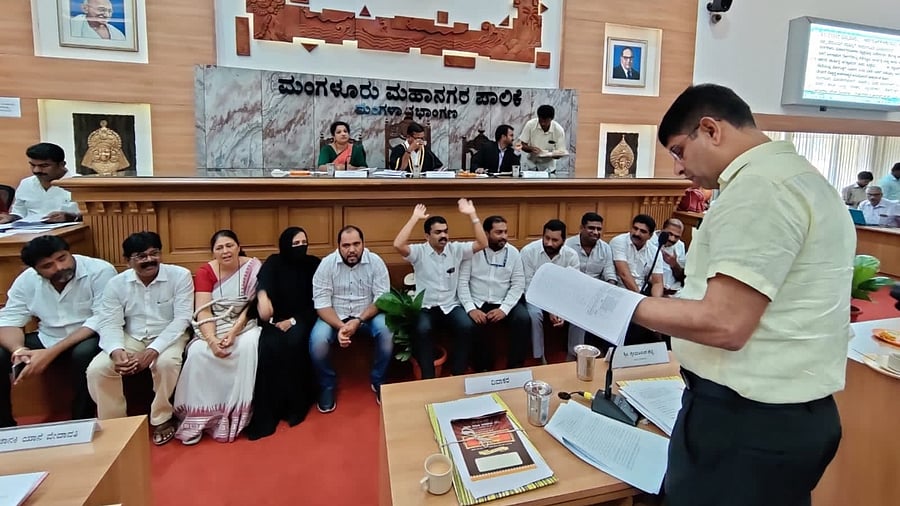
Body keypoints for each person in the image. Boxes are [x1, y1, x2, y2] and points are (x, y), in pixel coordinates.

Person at [632, 83, 855, 506]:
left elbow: (726, 323)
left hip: (746, 423)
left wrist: (626, 306)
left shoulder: (760, 189)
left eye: (679, 150)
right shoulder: (801, 178)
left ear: (711, 130)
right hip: (785, 418)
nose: (678, 168)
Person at [86, 232, 192, 446]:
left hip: (170, 335)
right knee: (98, 369)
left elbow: (182, 319)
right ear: (128, 261)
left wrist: (152, 351)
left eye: (154, 253)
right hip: (131, 336)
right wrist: (116, 351)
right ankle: (114, 425)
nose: (149, 260)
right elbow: (109, 322)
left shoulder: (180, 275)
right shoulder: (116, 284)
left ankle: (162, 418)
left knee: (167, 362)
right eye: (141, 256)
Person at [0, 236, 115, 427]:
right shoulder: (26, 280)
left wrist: (50, 354)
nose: (59, 267)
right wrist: (18, 350)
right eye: (48, 266)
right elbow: (9, 318)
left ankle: (81, 422)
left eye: (62, 258)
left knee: (83, 353)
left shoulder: (99, 270)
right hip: (48, 336)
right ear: (36, 270)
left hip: (88, 334)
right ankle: (4, 427)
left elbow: (101, 319)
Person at [174, 230, 263, 444]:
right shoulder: (206, 272)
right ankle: (199, 418)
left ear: (239, 246)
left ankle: (238, 414)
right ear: (213, 252)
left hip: (244, 324)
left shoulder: (253, 268)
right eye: (219, 248)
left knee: (248, 346)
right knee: (197, 352)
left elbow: (251, 308)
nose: (225, 251)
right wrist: (212, 341)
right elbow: (204, 311)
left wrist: (233, 333)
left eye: (229, 245)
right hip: (213, 325)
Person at [393, 199, 488, 378]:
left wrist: (472, 215)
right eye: (437, 232)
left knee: (467, 326)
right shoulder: (418, 252)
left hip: (450, 305)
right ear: (427, 236)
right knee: (422, 329)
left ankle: (457, 373)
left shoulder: (456, 249)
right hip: (426, 307)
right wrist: (414, 218)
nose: (443, 236)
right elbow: (398, 245)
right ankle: (428, 378)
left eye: (445, 231)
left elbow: (482, 243)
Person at [244, 227, 320, 440]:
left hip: (302, 317)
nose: (300, 248)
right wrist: (263, 298)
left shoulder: (313, 264)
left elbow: (318, 300)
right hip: (273, 319)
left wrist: (293, 321)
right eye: (295, 244)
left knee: (294, 343)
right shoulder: (274, 261)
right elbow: (263, 285)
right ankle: (271, 410)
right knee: (268, 347)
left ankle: (294, 406)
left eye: (303, 243)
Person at [311, 226, 392, 410]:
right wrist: (342, 327)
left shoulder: (376, 262)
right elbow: (322, 304)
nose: (352, 249)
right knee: (317, 341)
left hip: (367, 316)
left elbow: (382, 299)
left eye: (356, 244)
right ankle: (327, 385)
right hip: (335, 316)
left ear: (363, 244)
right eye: (346, 245)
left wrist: (358, 320)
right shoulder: (326, 264)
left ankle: (379, 380)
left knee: (387, 332)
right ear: (338, 246)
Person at [457, 216, 530, 372]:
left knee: (523, 318)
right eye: (498, 232)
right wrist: (471, 309)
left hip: (504, 301)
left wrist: (504, 309)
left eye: (505, 232)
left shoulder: (513, 253)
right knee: (472, 324)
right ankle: (482, 369)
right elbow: (462, 284)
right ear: (486, 233)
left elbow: (518, 285)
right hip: (478, 301)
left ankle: (515, 368)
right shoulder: (472, 252)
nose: (504, 236)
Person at [521, 219, 580, 363]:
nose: (549, 243)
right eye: (546, 238)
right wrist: (549, 309)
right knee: (534, 315)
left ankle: (574, 354)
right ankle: (539, 356)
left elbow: (573, 286)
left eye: (555, 240)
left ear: (564, 241)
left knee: (579, 313)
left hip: (562, 297)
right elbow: (527, 285)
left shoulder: (571, 256)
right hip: (534, 296)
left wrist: (561, 310)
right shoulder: (528, 252)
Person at [564, 212, 616, 359]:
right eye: (591, 228)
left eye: (599, 229)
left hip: (597, 292)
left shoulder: (605, 248)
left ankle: (609, 355)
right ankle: (574, 356)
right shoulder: (568, 245)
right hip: (572, 291)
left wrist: (609, 290)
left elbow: (610, 274)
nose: (596, 232)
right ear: (581, 228)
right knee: (580, 312)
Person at [0, 143, 81, 224]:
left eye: (44, 166)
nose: (36, 170)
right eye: (32, 165)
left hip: (69, 230)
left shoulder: (80, 183)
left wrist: (73, 217)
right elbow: (19, 213)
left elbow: (90, 216)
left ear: (61, 164)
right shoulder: (26, 183)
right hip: (28, 231)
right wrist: (11, 217)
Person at [518, 105, 567, 172]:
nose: (543, 124)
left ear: (551, 119)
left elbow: (560, 153)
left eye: (546, 121)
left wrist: (546, 153)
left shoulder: (558, 130)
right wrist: (532, 149)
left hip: (549, 168)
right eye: (541, 121)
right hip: (532, 166)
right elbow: (522, 145)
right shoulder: (530, 125)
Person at [657, 218, 687, 294]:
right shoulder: (650, 241)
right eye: (669, 234)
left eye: (677, 237)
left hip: (674, 290)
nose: (672, 239)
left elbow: (681, 277)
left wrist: (674, 264)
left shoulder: (680, 245)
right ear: (662, 230)